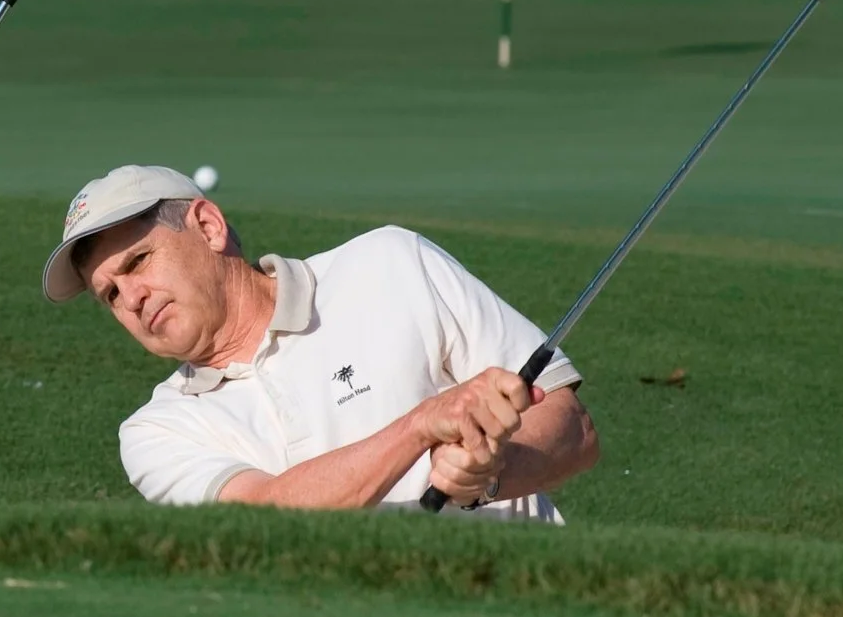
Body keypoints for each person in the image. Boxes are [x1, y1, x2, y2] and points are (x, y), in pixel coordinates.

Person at [43, 165, 599, 519]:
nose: (132, 298)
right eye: (110, 295)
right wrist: (420, 426)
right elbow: (266, 518)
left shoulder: (390, 262)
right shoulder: (156, 432)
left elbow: (571, 426)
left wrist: (488, 476)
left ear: (208, 227)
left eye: (139, 261)